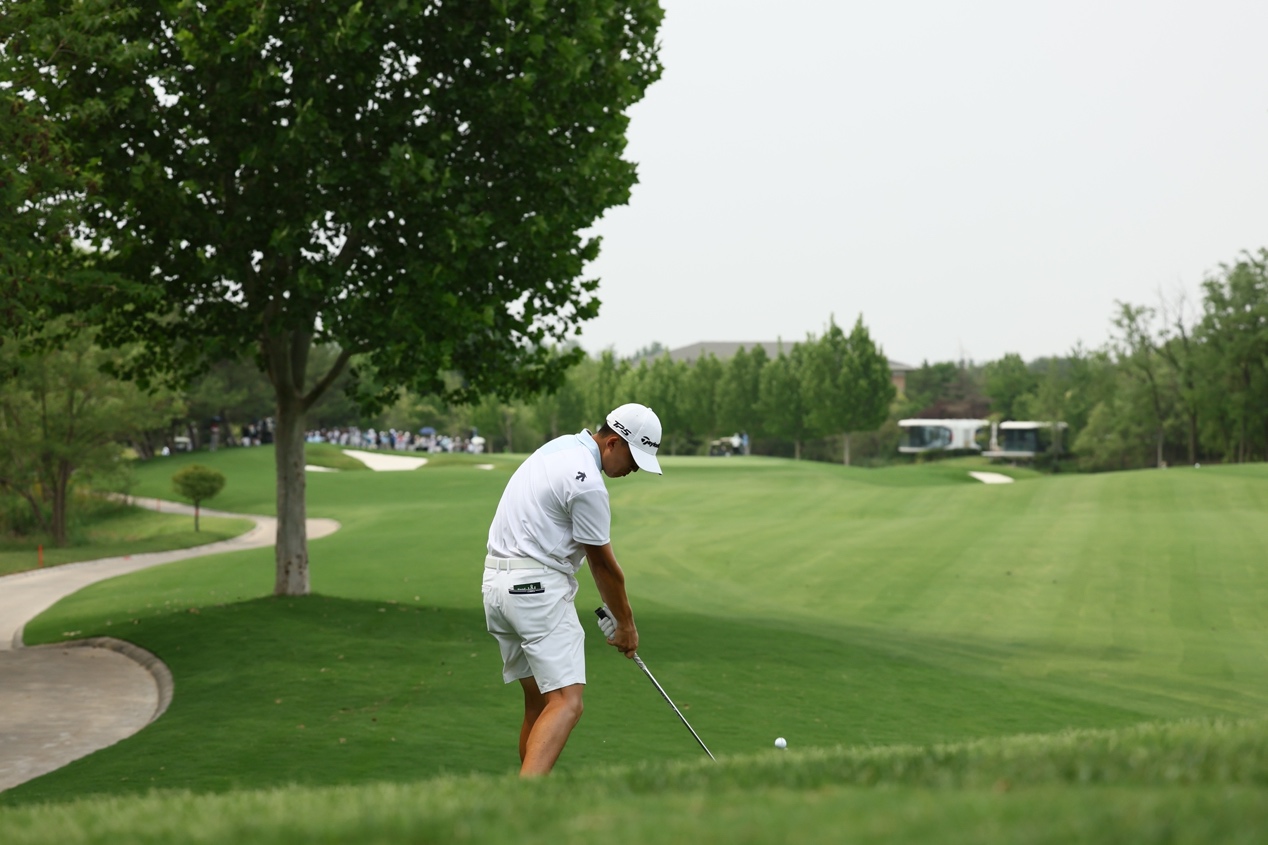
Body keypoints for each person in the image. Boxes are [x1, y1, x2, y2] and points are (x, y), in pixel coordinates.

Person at [482, 402, 662, 776]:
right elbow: (603, 566)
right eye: (633, 459)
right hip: (536, 591)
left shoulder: (557, 447)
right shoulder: (589, 484)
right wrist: (626, 624)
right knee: (567, 702)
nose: (633, 470)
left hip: (496, 587)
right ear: (613, 443)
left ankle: (522, 799)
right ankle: (524, 808)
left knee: (540, 702)